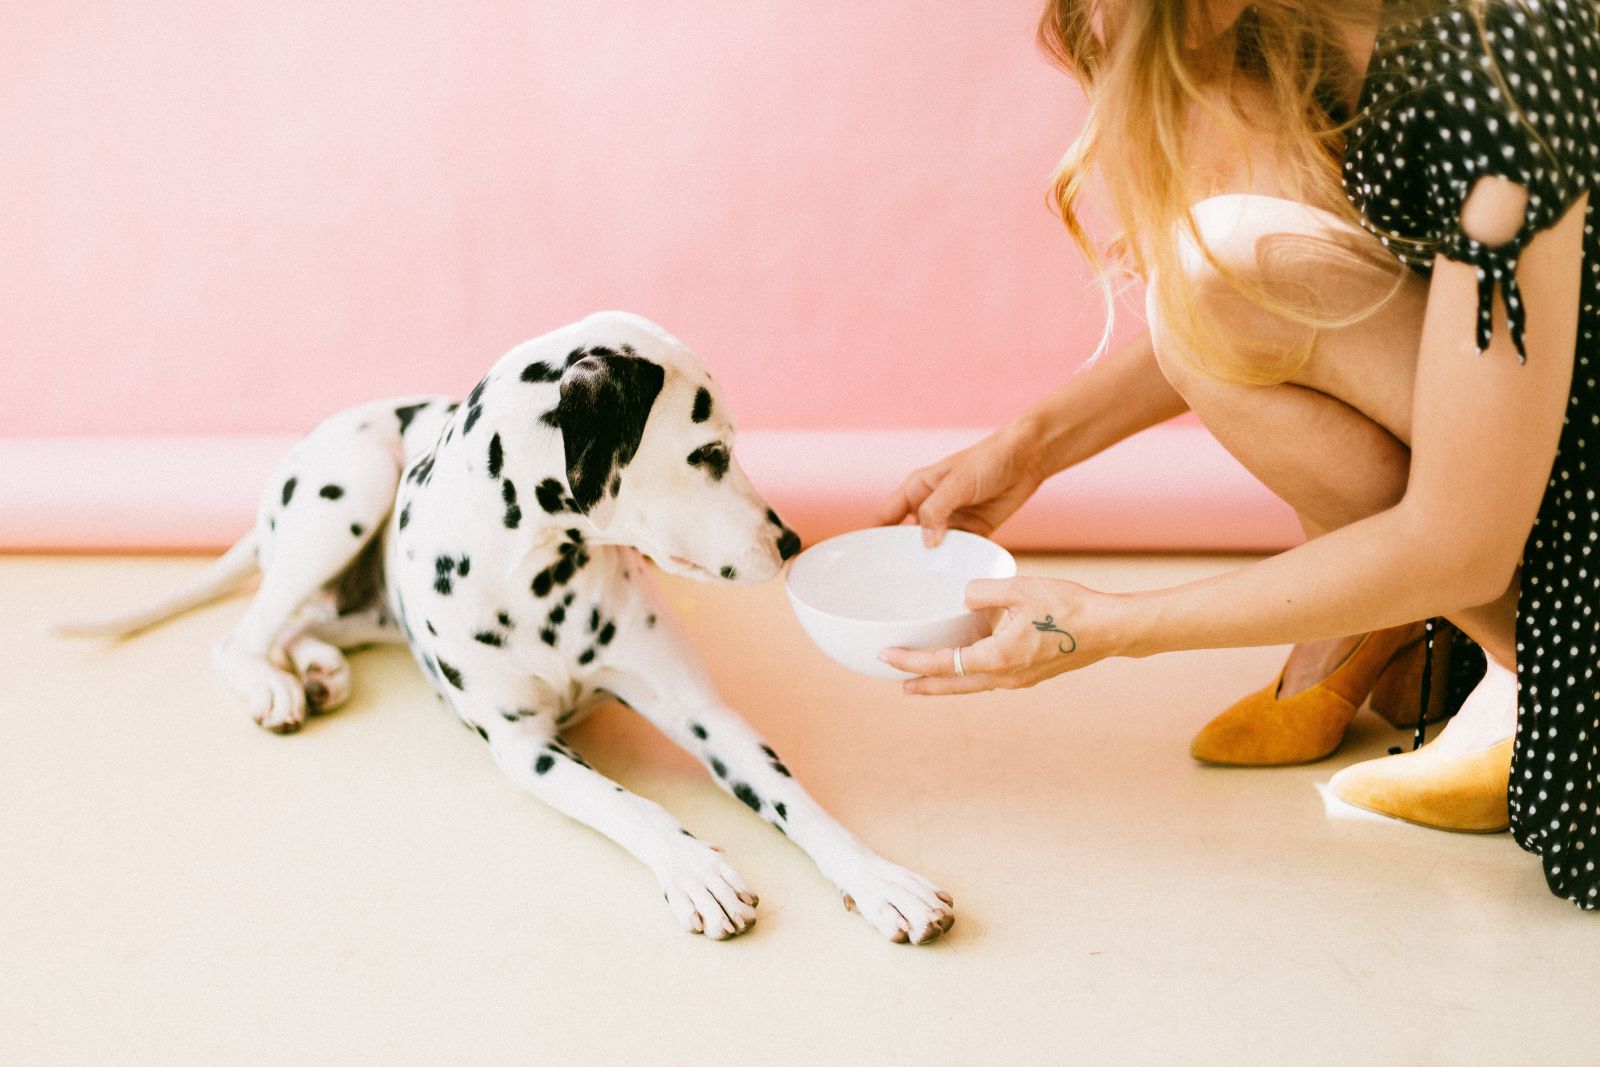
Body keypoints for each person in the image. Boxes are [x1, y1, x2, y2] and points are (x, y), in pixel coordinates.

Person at [877, 0, 1599, 909]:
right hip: (1532, 446)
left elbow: (1463, 545)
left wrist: (1107, 626)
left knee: (1221, 265)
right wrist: (1028, 449)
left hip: (1539, 519)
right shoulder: (1329, 39)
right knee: (1215, 279)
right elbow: (1257, 317)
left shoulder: (1508, 50)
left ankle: (1524, 671)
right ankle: (1416, 629)